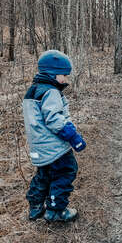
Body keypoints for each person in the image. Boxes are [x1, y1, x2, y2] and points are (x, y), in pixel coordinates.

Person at [22, 50, 86, 222]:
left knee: (43, 175)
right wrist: (73, 137)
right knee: (66, 172)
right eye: (63, 75)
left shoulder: (32, 92)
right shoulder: (50, 92)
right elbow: (54, 119)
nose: (65, 79)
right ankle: (56, 210)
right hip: (55, 147)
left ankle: (35, 207)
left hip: (39, 147)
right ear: (52, 73)